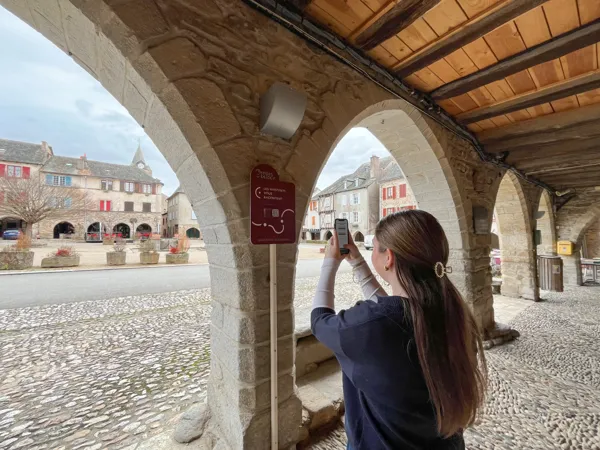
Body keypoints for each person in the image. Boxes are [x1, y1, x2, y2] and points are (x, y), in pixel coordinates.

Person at [311, 210, 487, 450]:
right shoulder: (452, 312)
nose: (371, 252)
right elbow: (396, 310)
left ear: (389, 258)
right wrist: (358, 263)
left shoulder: (371, 324)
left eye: (374, 248)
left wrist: (330, 262)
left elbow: (320, 321)